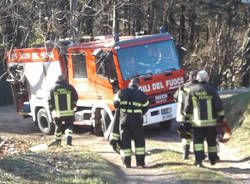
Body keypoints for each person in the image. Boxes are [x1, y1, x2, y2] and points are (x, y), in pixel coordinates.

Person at [183, 70, 224, 167]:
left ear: (197, 78)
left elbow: (187, 106)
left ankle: (198, 161)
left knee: (198, 142)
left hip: (197, 123)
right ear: (207, 78)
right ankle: (213, 159)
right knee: (211, 141)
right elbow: (218, 105)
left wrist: (186, 119)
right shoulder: (212, 90)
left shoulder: (192, 90)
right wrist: (221, 117)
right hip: (211, 122)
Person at [112, 77, 149, 168]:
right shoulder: (142, 94)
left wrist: (123, 109)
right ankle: (140, 163)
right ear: (138, 85)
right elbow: (146, 107)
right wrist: (138, 112)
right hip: (137, 120)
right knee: (139, 141)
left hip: (124, 120)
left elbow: (115, 103)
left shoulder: (122, 91)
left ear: (130, 84)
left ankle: (126, 163)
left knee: (125, 141)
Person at [174, 70, 198, 160]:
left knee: (186, 136)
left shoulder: (182, 87)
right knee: (197, 136)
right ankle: (198, 155)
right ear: (195, 77)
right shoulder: (198, 87)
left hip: (182, 116)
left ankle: (185, 154)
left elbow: (175, 97)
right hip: (195, 117)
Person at [48, 75, 78, 146]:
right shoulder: (70, 87)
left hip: (58, 113)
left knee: (58, 127)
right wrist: (73, 105)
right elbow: (75, 97)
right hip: (69, 113)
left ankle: (58, 141)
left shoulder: (53, 88)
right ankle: (68, 142)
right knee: (69, 127)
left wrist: (51, 110)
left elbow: (49, 101)